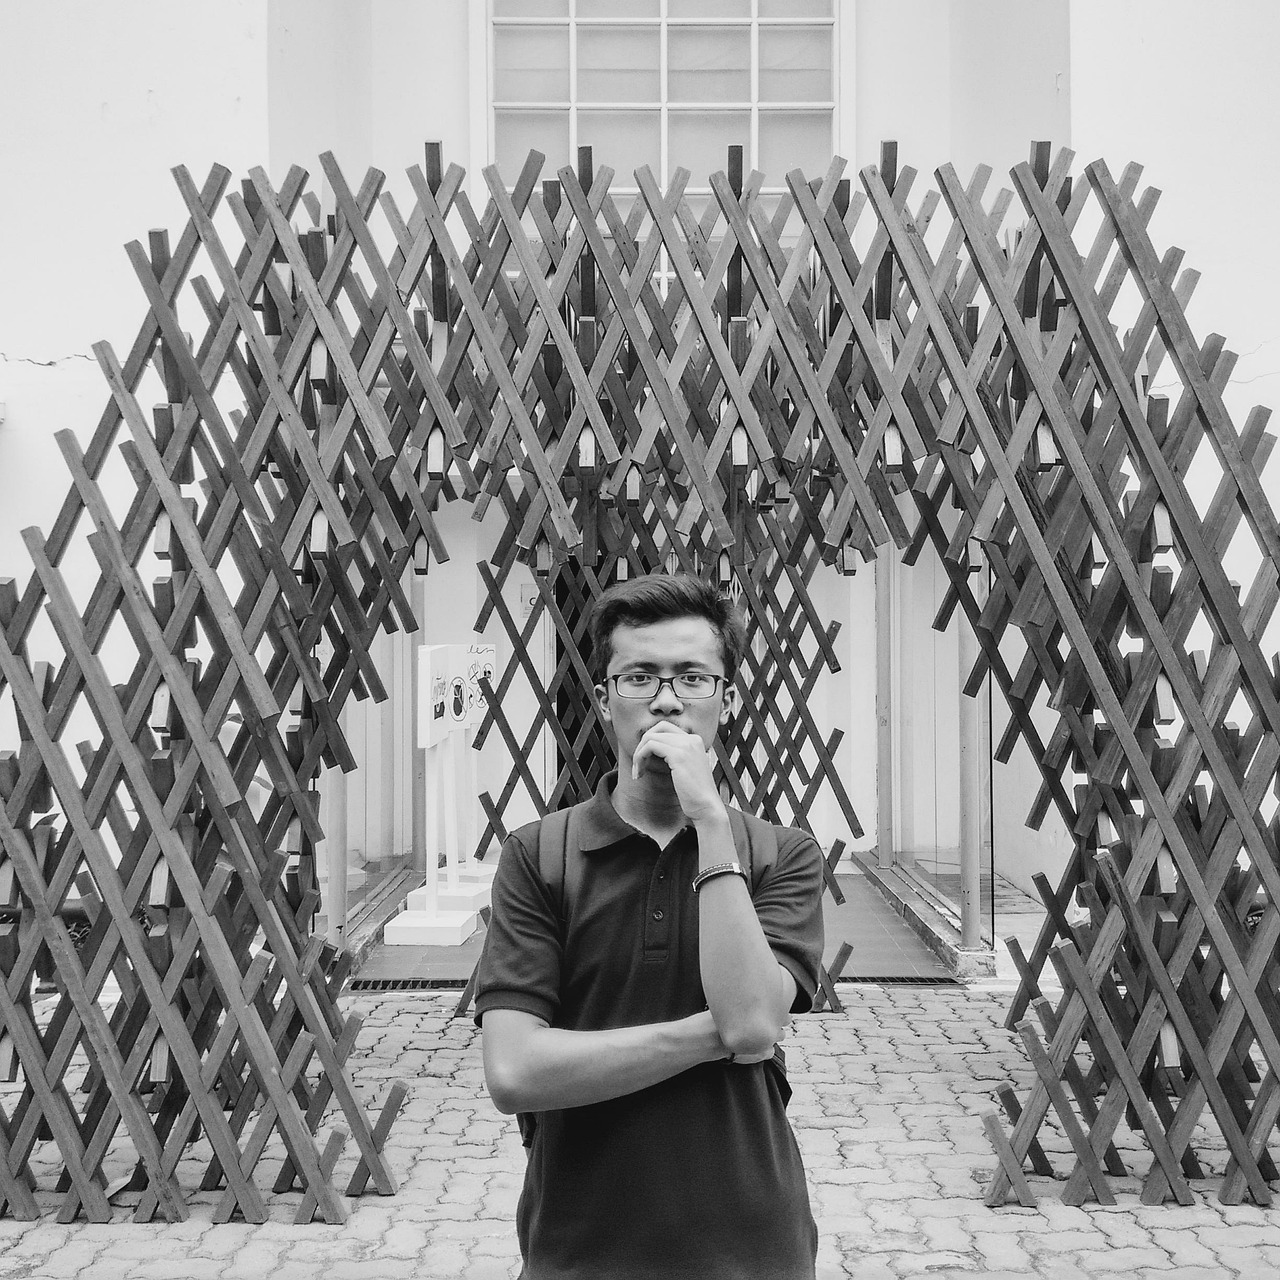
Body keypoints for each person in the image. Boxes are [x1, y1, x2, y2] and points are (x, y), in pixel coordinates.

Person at [474, 572, 825, 1279]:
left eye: (693, 677)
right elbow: (513, 1071)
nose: (667, 699)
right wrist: (714, 1036)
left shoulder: (780, 855)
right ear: (604, 700)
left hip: (752, 1248)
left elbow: (754, 1021)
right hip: (579, 1245)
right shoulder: (540, 855)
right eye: (639, 677)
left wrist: (710, 822)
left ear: (727, 698)